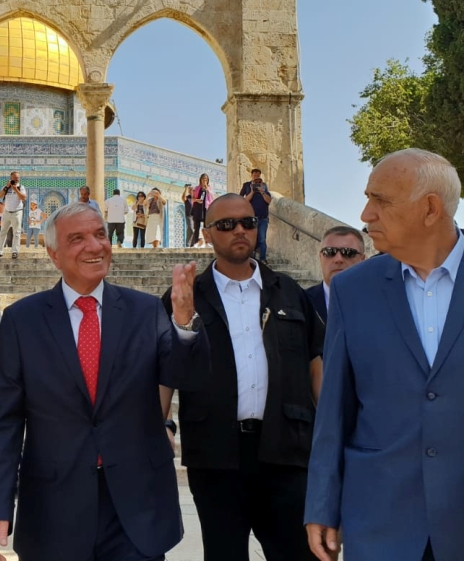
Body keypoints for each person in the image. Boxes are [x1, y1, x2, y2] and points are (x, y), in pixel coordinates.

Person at [0, 202, 209, 561]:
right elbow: (1, 422)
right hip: (54, 511)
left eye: (100, 234)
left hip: (135, 510)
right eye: (78, 238)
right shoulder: (22, 321)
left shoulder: (146, 311)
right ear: (53, 254)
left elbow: (187, 376)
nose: (94, 245)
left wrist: (184, 321)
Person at [306, 148, 464, 561]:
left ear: (431, 209)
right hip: (381, 521)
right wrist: (322, 503)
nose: (366, 214)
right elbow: (335, 408)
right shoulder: (352, 289)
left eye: (381, 200)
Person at [162, 194, 324, 561]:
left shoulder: (290, 292)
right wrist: (162, 426)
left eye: (247, 223)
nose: (239, 230)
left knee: (299, 553)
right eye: (226, 224)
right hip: (216, 454)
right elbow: (165, 370)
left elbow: (316, 362)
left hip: (286, 452)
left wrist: (329, 430)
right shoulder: (185, 297)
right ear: (207, 233)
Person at [305, 226, 366, 323]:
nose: (338, 259)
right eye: (329, 252)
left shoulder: (379, 302)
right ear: (320, 257)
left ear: (362, 260)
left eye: (348, 252)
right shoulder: (301, 301)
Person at [240, 169, 272, 262]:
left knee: (262, 239)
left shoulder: (264, 187)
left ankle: (263, 259)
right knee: (250, 239)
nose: (256, 177)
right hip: (250, 218)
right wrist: (252, 191)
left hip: (263, 218)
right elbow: (244, 201)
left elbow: (269, 201)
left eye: (258, 175)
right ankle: (251, 258)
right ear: (251, 175)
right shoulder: (247, 185)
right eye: (255, 175)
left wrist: (262, 191)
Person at [0, 171, 26, 259]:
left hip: (17, 212)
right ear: (11, 178)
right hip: (7, 212)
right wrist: (7, 187)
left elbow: (23, 197)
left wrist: (15, 189)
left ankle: (15, 251)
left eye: (18, 178)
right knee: (3, 232)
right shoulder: (6, 187)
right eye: (15, 178)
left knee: (16, 233)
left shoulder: (21, 187)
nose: (16, 179)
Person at [191, 174, 213, 247]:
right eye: (203, 179)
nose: (205, 180)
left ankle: (207, 243)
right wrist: (197, 200)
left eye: (206, 179)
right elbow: (192, 199)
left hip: (205, 208)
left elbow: (211, 199)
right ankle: (196, 243)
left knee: (206, 226)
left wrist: (207, 190)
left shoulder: (209, 189)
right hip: (197, 208)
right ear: (200, 179)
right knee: (196, 227)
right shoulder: (197, 188)